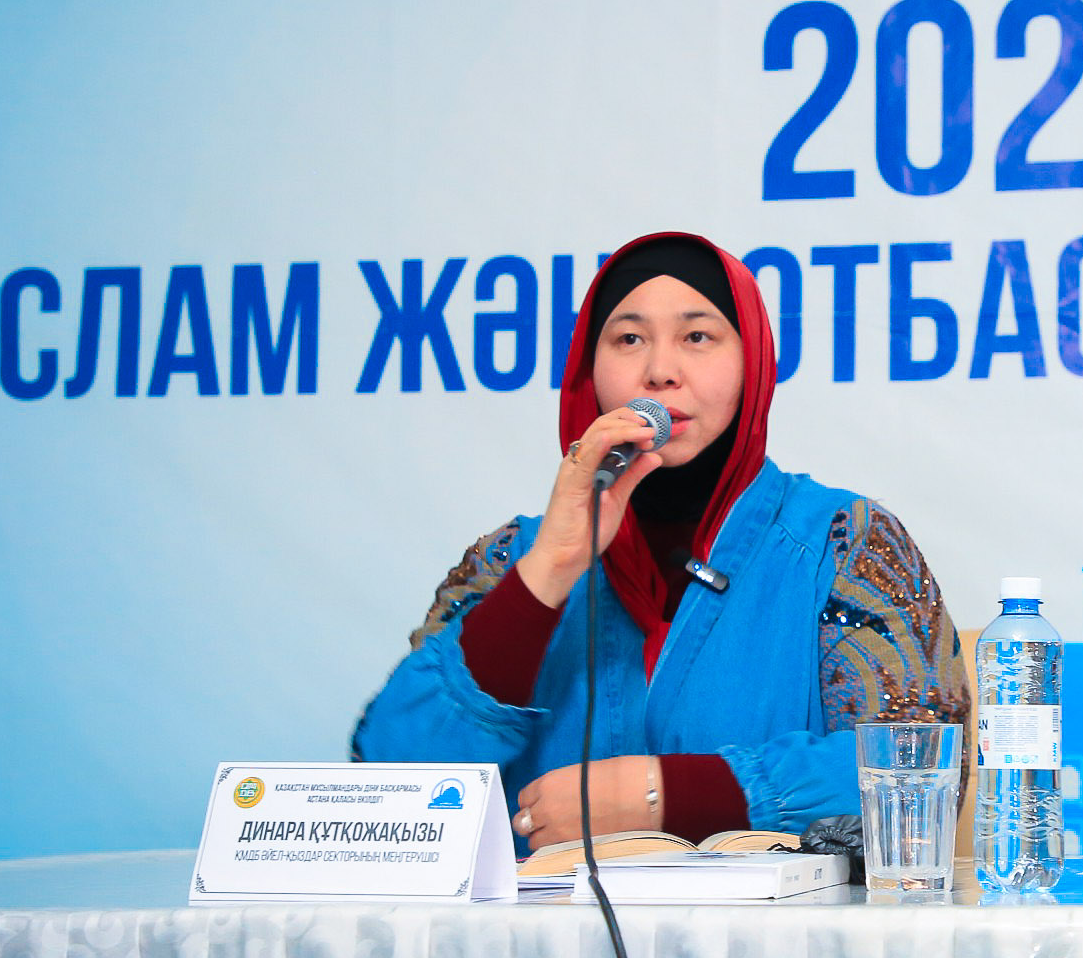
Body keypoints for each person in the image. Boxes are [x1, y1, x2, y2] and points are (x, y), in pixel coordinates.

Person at [353, 231, 967, 852]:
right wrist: (550, 569)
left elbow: (924, 773)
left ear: (752, 362)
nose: (660, 372)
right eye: (628, 339)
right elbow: (388, 791)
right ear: (589, 371)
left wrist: (664, 797)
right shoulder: (510, 558)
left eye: (697, 337)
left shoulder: (844, 543)